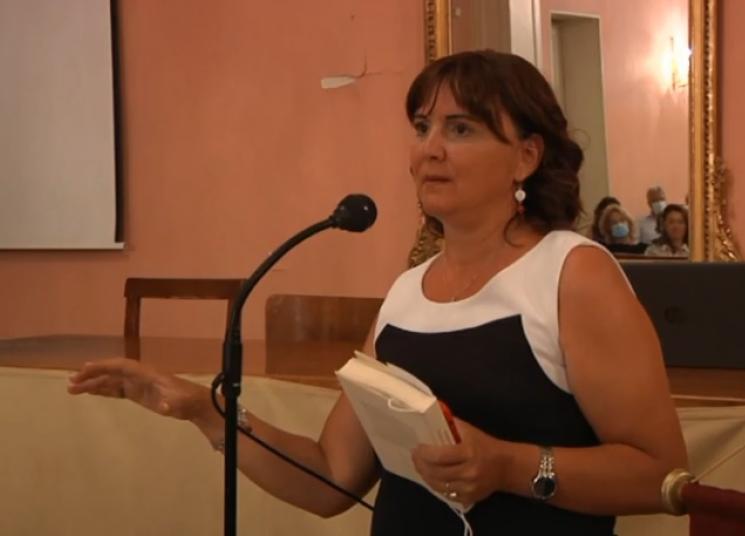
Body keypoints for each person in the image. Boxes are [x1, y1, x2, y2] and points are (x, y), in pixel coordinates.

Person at [68, 50, 687, 535]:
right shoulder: (406, 294)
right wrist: (207, 414)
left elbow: (660, 474)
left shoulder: (572, 273)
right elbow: (331, 478)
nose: (429, 149)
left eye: (461, 128)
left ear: (526, 156)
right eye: (422, 127)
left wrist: (507, 465)